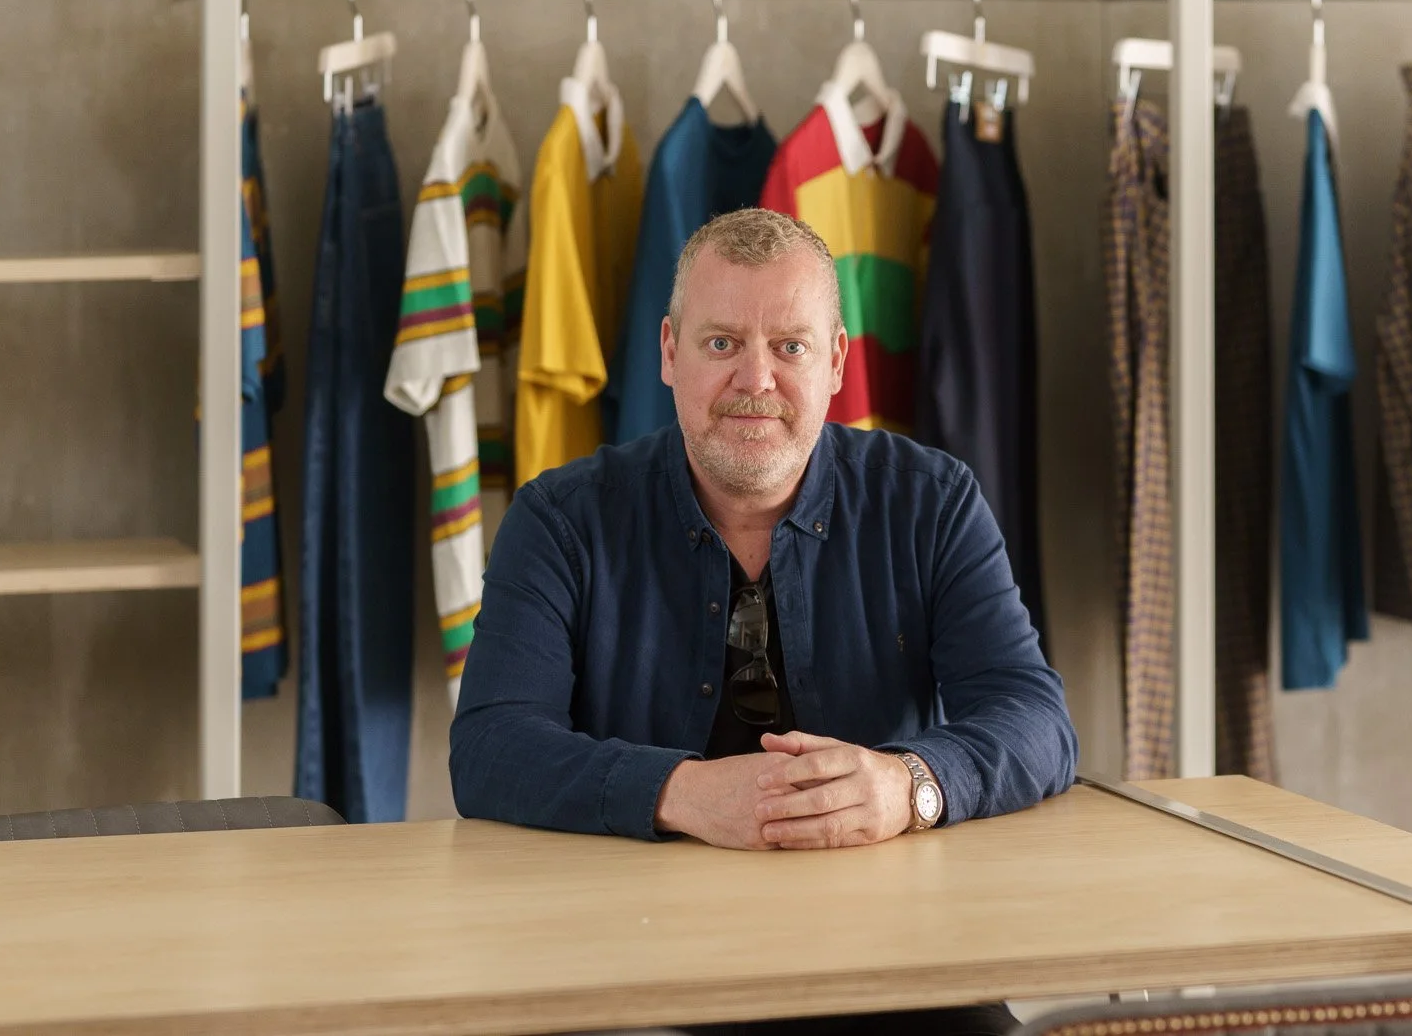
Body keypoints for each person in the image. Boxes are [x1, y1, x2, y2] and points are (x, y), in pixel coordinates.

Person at [450, 206, 1078, 1036]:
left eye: (789, 346)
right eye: (721, 345)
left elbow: (1037, 717)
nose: (755, 382)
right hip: (620, 957)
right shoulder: (560, 519)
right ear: (669, 353)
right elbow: (491, 746)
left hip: (891, 959)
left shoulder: (933, 502)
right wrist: (679, 792)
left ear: (836, 364)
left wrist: (910, 785)